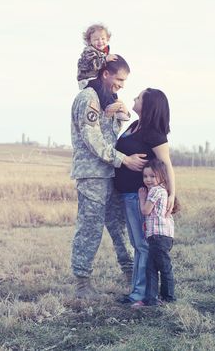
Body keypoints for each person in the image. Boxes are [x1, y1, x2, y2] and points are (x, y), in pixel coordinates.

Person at [71, 55, 147, 300]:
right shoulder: (88, 98)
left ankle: (131, 275)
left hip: (109, 174)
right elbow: (93, 140)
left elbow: (113, 133)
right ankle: (82, 285)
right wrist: (124, 160)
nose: (122, 85)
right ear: (105, 74)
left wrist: (124, 112)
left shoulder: (108, 99)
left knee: (119, 228)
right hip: (92, 176)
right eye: (119, 79)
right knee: (90, 229)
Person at [114, 88, 176, 303]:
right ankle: (140, 293)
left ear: (148, 105)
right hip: (127, 194)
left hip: (138, 195)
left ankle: (140, 295)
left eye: (138, 97)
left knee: (141, 245)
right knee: (138, 244)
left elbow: (166, 164)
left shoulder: (154, 133)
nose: (133, 98)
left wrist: (171, 194)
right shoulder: (133, 126)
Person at [131, 159, 180, 307]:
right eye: (145, 176)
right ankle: (151, 299)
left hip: (159, 236)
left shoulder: (156, 190)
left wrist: (141, 198)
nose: (148, 180)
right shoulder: (162, 190)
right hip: (158, 237)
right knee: (151, 268)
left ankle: (168, 298)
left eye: (152, 176)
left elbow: (146, 210)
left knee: (164, 267)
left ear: (162, 176)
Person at [77, 23, 130, 121]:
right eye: (96, 39)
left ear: (108, 39)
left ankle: (117, 108)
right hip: (88, 79)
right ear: (89, 41)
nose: (100, 41)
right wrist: (105, 59)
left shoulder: (104, 52)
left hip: (96, 77)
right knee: (100, 87)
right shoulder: (89, 51)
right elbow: (94, 64)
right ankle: (109, 106)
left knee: (111, 91)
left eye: (103, 38)